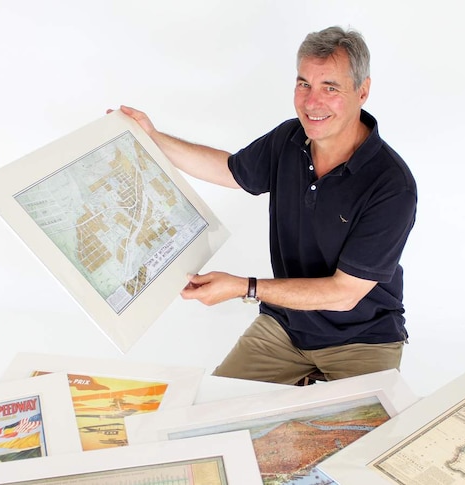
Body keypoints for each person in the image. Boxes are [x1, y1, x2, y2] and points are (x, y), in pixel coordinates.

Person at [119, 25, 417, 385]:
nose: (311, 102)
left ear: (362, 91)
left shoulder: (391, 184)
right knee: (212, 412)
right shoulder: (288, 139)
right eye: (304, 83)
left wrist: (243, 287)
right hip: (286, 327)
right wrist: (152, 138)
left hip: (363, 340)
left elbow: (343, 294)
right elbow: (229, 170)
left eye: (330, 88)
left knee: (365, 441)